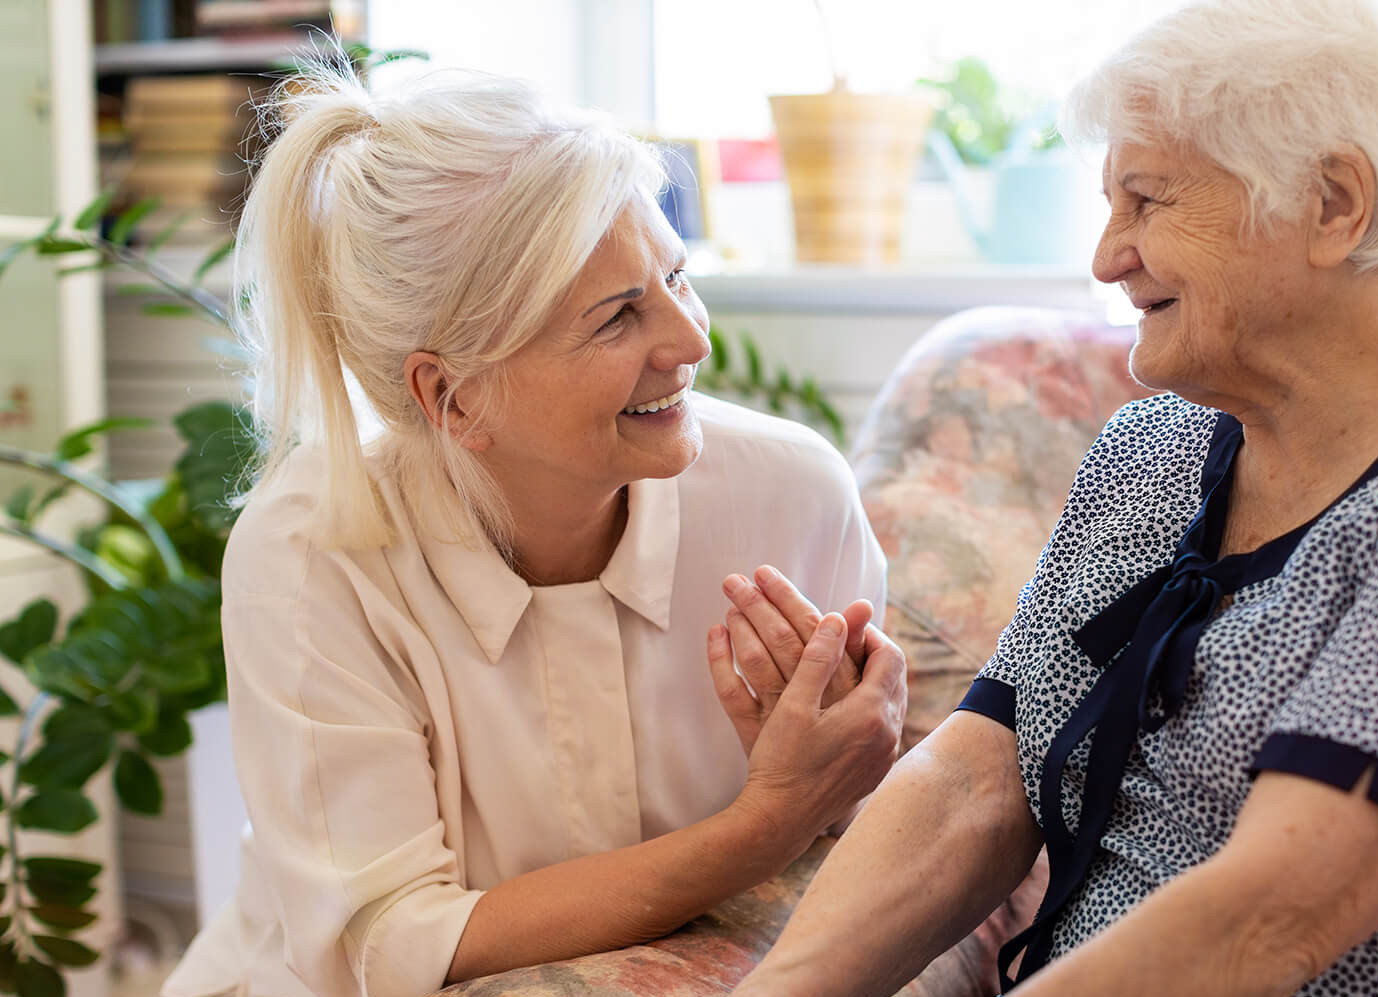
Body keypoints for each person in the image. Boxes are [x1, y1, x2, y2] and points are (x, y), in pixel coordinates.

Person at [729, 0, 1378, 993]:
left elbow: (1268, 916)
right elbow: (975, 784)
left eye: (1144, 200)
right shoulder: (1153, 447)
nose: (1105, 257)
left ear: (1332, 204)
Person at [162, 61, 906, 997]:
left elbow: (865, 817)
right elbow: (393, 948)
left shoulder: (791, 494)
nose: (690, 341)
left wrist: (841, 779)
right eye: (616, 318)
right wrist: (764, 822)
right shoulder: (310, 554)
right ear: (452, 395)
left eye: (675, 276)